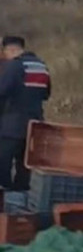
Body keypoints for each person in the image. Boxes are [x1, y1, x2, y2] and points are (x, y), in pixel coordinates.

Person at [0, 36, 51, 190]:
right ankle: (20, 194)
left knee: (3, 162)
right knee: (25, 165)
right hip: (35, 125)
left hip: (12, 125)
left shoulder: (15, 65)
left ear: (11, 50)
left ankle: (6, 195)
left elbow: (2, 91)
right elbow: (46, 94)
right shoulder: (42, 66)